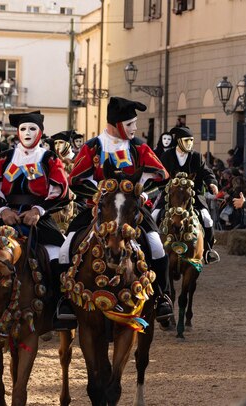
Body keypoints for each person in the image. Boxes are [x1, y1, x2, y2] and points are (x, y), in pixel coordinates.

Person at [62, 96, 173, 322]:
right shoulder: (93, 146)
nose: (135, 128)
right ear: (117, 124)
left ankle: (162, 296)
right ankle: (63, 300)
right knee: (65, 247)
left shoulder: (138, 146)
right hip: (99, 210)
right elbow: (75, 179)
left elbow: (161, 175)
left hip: (132, 210)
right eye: (130, 124)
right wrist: (96, 195)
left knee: (156, 245)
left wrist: (142, 191)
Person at [0, 110, 71, 328]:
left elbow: (61, 189)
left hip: (37, 217)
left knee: (59, 254)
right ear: (17, 133)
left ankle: (61, 305)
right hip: (7, 215)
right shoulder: (5, 156)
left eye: (32, 129)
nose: (27, 133)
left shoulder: (48, 158)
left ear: (40, 133)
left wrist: (38, 210)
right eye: (23, 129)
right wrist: (3, 210)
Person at [153, 126, 219, 263]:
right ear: (178, 141)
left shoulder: (196, 156)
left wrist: (211, 183)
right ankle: (151, 250)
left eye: (191, 141)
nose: (189, 144)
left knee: (207, 219)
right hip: (170, 197)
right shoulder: (167, 155)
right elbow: (160, 173)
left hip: (193, 197)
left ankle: (208, 250)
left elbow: (206, 172)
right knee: (153, 216)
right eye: (186, 141)